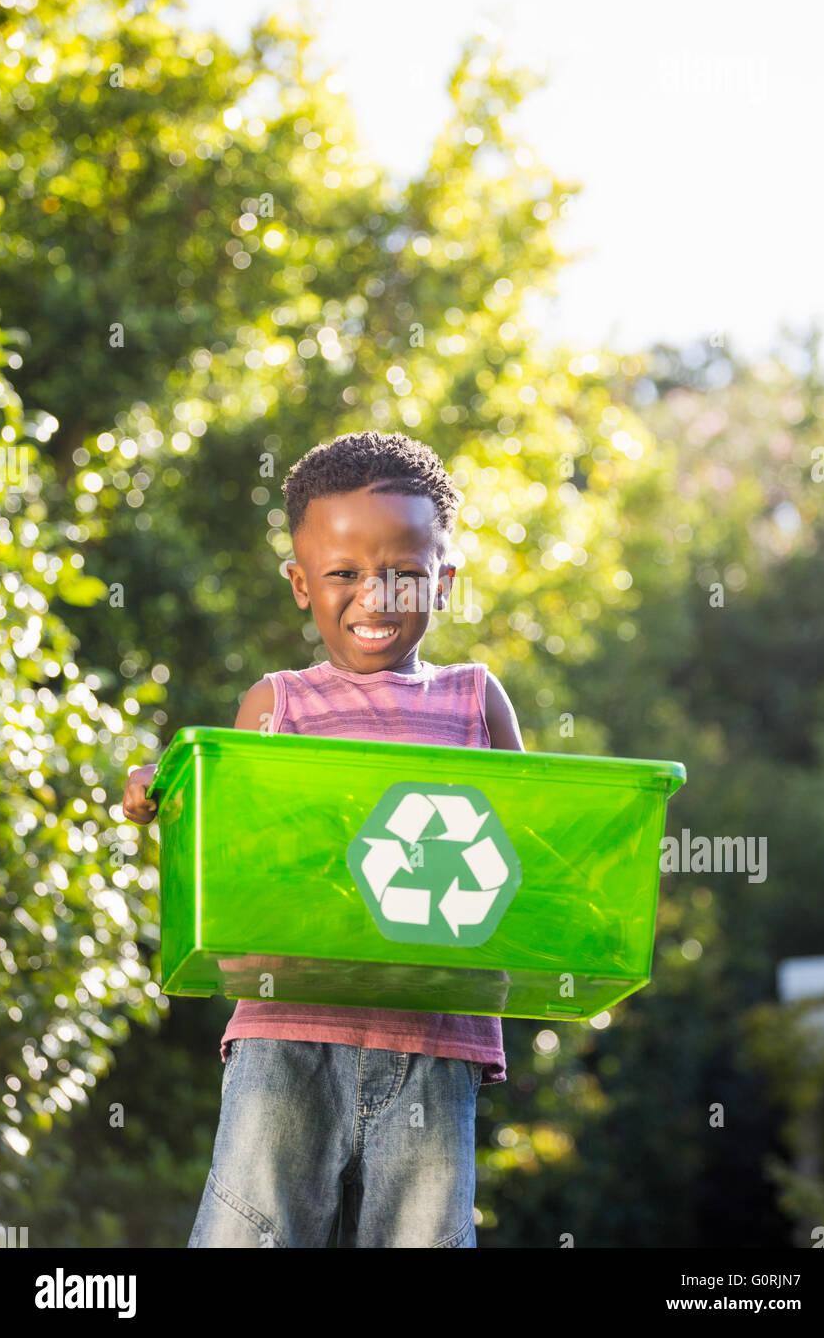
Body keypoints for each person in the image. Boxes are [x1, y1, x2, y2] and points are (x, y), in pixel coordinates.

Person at [122, 430, 526, 1247]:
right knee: (252, 1233)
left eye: (404, 575)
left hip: (435, 1040)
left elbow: (531, 855)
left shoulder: (476, 703)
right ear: (301, 585)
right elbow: (236, 855)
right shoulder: (275, 707)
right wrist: (167, 798)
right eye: (343, 574)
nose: (375, 597)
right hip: (286, 1032)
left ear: (443, 583)